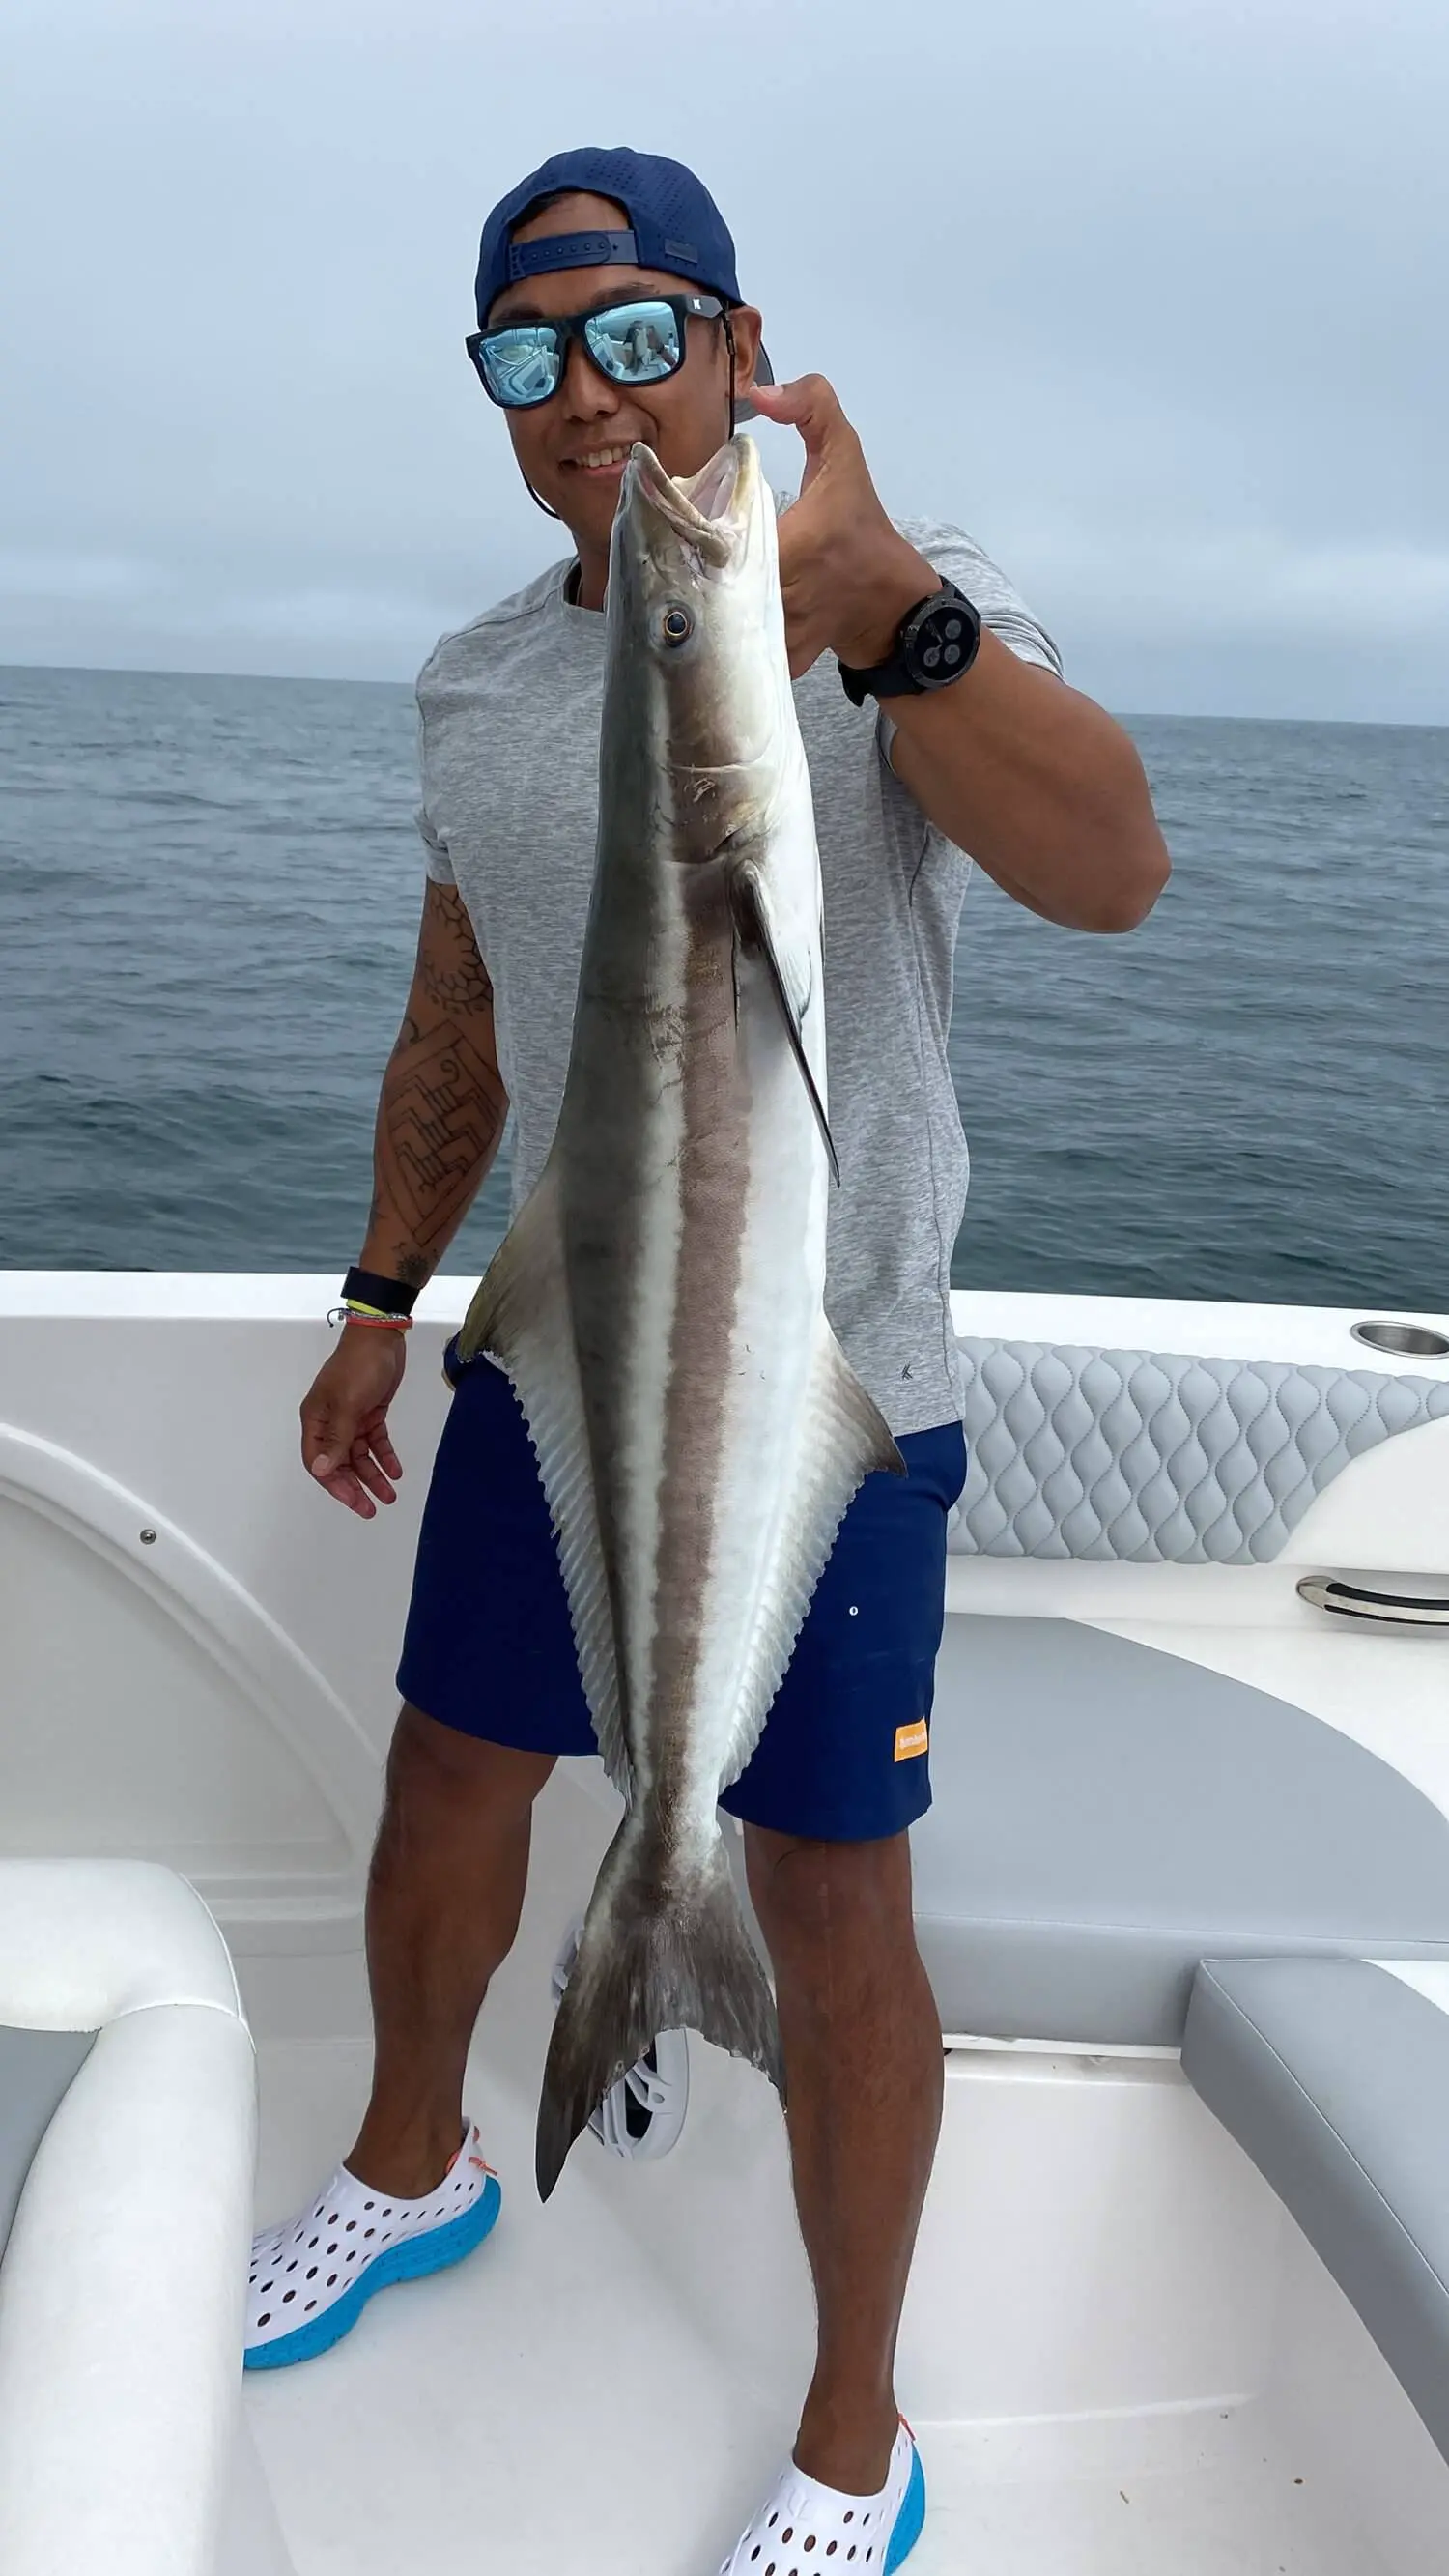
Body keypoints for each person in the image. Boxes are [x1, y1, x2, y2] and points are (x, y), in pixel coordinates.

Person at [254, 147, 1170, 2569]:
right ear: (494, 395)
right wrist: (377, 1300)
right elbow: (458, 1019)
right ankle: (409, 2159)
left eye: (639, 331)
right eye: (527, 352)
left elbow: (1112, 865)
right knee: (450, 1775)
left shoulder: (884, 606)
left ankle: (859, 2430)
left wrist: (891, 614)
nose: (587, 392)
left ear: (742, 349)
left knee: (829, 1889)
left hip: (827, 1381)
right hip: (548, 1364)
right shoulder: (471, 678)